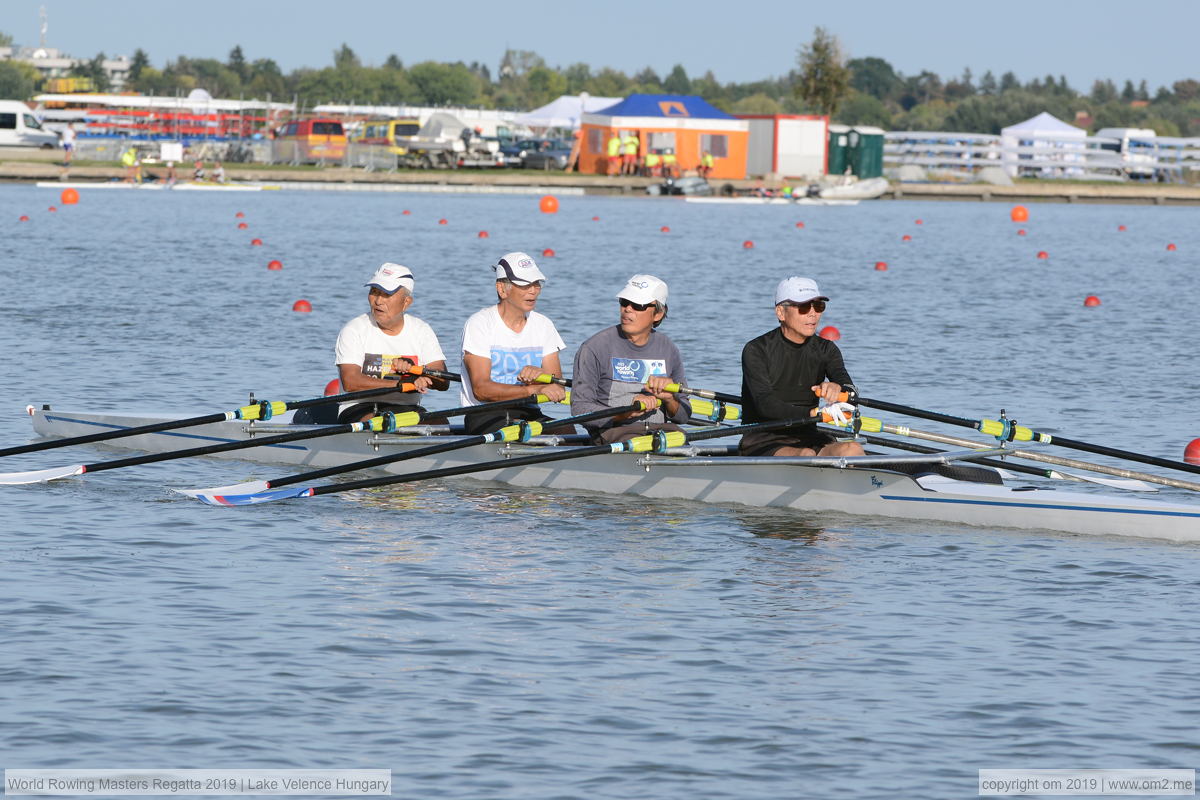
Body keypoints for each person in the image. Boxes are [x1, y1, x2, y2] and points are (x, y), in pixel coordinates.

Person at [739, 277, 865, 458]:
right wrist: (814, 413)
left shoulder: (827, 349)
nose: (813, 314)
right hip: (763, 437)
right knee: (806, 455)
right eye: (804, 307)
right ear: (781, 312)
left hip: (808, 435)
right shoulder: (756, 350)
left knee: (853, 449)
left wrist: (839, 390)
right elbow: (766, 405)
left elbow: (852, 396)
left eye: (818, 306)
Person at [571, 275, 691, 444]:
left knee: (684, 442)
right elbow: (580, 409)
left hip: (661, 433)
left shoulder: (668, 348)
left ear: (658, 314)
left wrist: (670, 399)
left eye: (637, 305)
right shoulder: (594, 347)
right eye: (623, 302)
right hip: (615, 432)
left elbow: (684, 415)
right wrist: (625, 413)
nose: (627, 309)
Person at [459, 252, 568, 434]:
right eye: (525, 284)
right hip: (485, 414)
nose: (533, 290)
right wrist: (536, 389)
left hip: (529, 410)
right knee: (522, 432)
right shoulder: (479, 324)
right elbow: (482, 389)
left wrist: (542, 374)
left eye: (536, 284)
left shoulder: (544, 325)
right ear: (502, 289)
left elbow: (557, 386)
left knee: (568, 430)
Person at [334, 263, 450, 423]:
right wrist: (400, 382)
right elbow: (350, 381)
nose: (378, 301)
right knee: (385, 423)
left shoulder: (421, 331)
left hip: (406, 408)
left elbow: (443, 381)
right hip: (360, 407)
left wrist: (418, 373)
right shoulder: (354, 329)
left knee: (441, 424)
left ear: (406, 302)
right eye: (374, 292)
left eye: (386, 294)